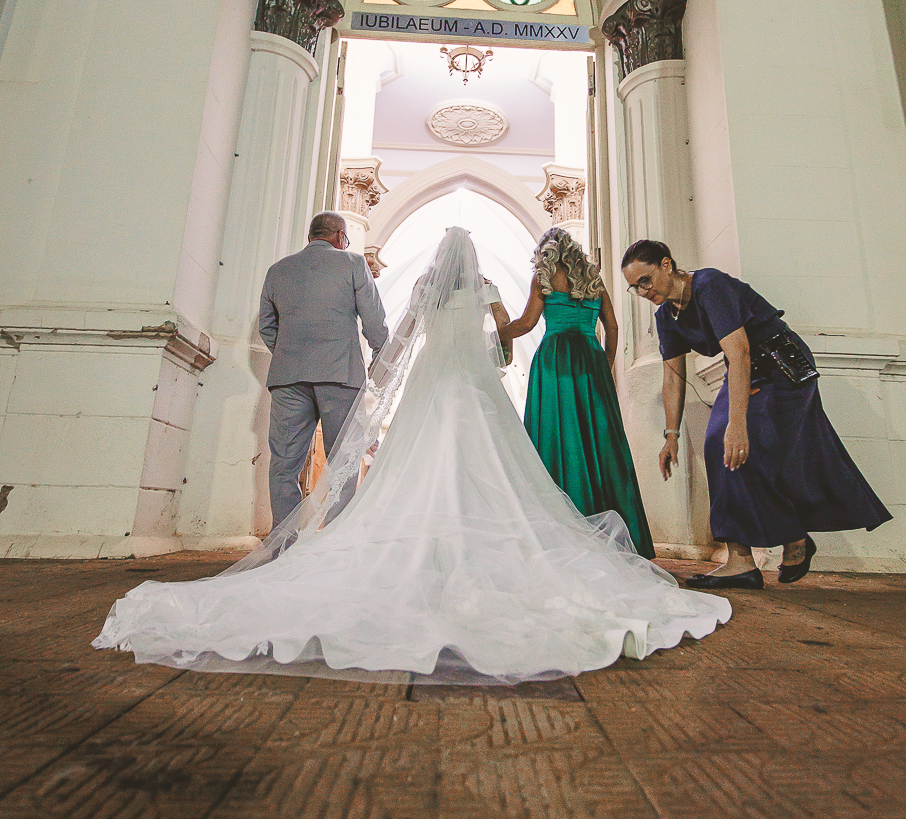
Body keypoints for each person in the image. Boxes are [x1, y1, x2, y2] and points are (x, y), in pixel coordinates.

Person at [94, 229, 730, 681]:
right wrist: (500, 356)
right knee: (495, 472)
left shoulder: (425, 287)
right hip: (475, 387)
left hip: (430, 382)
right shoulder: (485, 286)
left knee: (409, 469)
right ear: (473, 260)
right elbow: (503, 338)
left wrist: (382, 374)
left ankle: (375, 545)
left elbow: (397, 338)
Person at [620, 240, 892, 590]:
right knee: (721, 447)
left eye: (646, 280)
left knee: (740, 444)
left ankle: (791, 536)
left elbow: (741, 351)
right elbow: (673, 377)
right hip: (746, 371)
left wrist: (737, 424)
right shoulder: (666, 316)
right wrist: (670, 435)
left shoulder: (710, 286)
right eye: (635, 286)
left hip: (781, 367)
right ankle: (742, 561)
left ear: (667, 265)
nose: (643, 291)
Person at [501, 227, 655, 558]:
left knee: (559, 437)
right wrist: (605, 363)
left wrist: (497, 333)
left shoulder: (543, 276)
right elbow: (612, 326)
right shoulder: (594, 280)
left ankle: (561, 531)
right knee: (602, 443)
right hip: (590, 359)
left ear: (546, 251)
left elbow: (527, 323)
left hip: (555, 362)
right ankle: (617, 534)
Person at [258, 210, 388, 525]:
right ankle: (331, 537)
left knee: (284, 465)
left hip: (288, 377)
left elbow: (266, 326)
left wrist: (290, 353)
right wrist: (380, 360)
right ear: (339, 236)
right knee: (343, 459)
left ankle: (282, 544)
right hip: (340, 373)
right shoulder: (354, 264)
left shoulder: (279, 269)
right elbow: (373, 320)